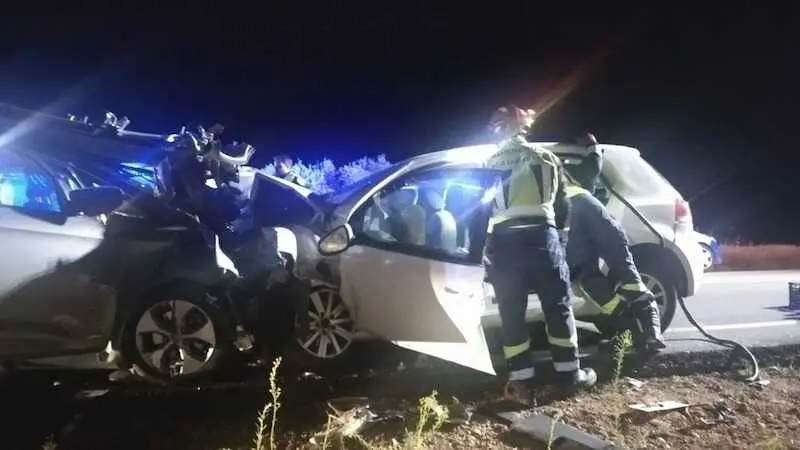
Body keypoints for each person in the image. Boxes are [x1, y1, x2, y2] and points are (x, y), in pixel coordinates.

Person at [483, 105, 597, 403]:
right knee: (557, 306)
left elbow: (479, 212)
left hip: (504, 244)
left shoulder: (488, 164)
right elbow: (562, 205)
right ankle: (569, 376)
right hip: (541, 238)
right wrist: (560, 237)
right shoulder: (546, 158)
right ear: (524, 127)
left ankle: (522, 382)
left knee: (511, 313)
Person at [562, 133, 666, 352]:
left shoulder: (540, 178)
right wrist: (591, 144)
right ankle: (650, 332)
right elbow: (594, 160)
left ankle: (626, 327)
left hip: (571, 225)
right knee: (626, 274)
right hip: (596, 214)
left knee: (586, 278)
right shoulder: (576, 174)